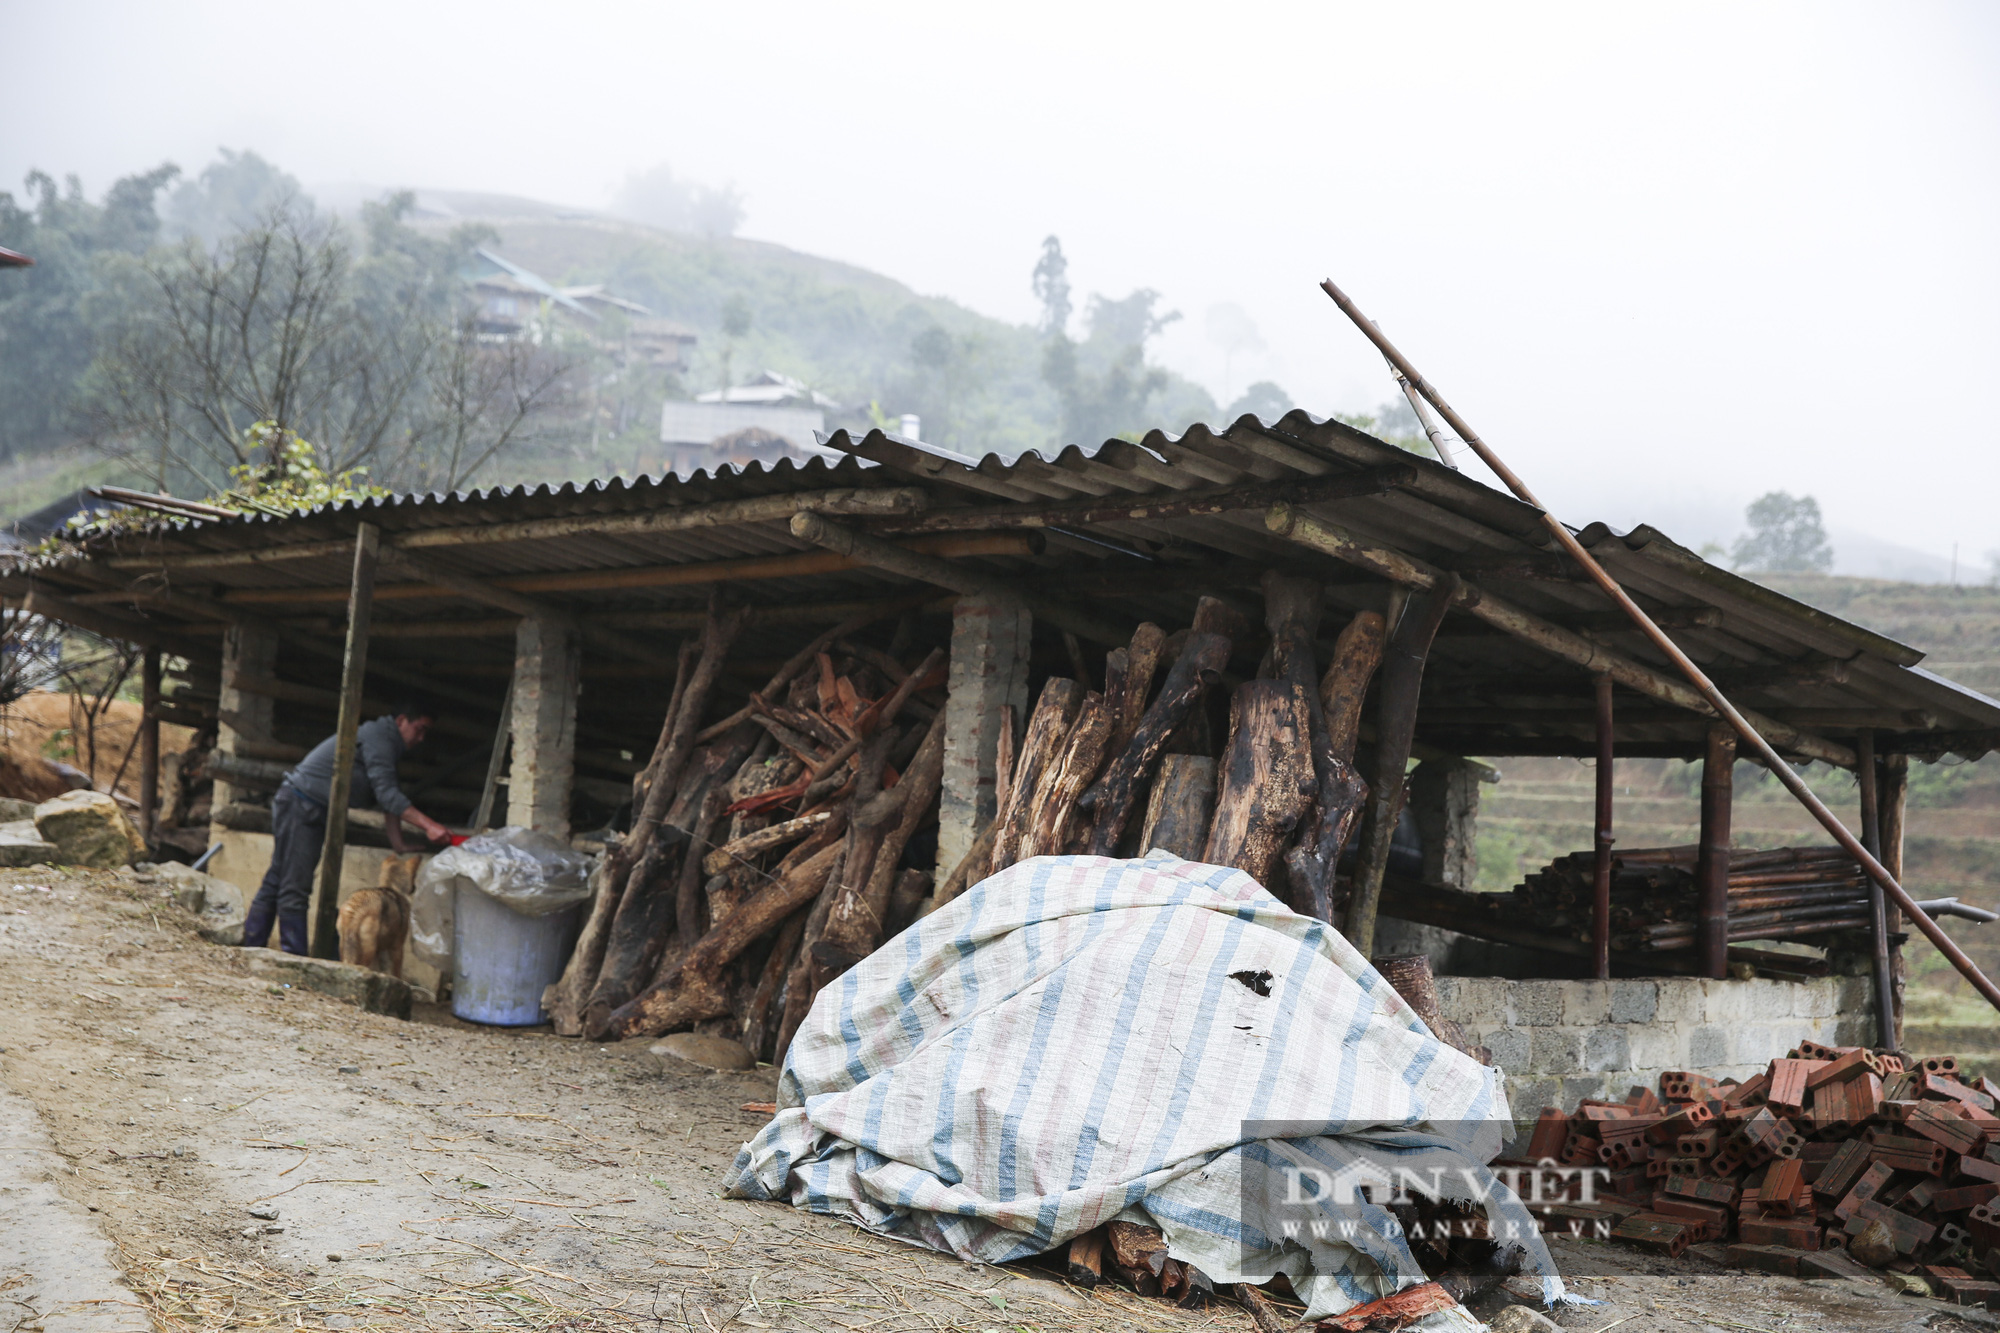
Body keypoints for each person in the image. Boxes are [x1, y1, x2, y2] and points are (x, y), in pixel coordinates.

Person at [241, 700, 452, 954]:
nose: (421, 738)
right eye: (419, 728)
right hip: (302, 805)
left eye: (425, 732)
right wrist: (430, 825)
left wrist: (398, 843)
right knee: (294, 886)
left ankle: (251, 947)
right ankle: (293, 958)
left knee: (278, 877)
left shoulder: (386, 741)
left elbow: (387, 794)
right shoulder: (380, 738)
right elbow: (388, 797)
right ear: (401, 721)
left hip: (303, 804)